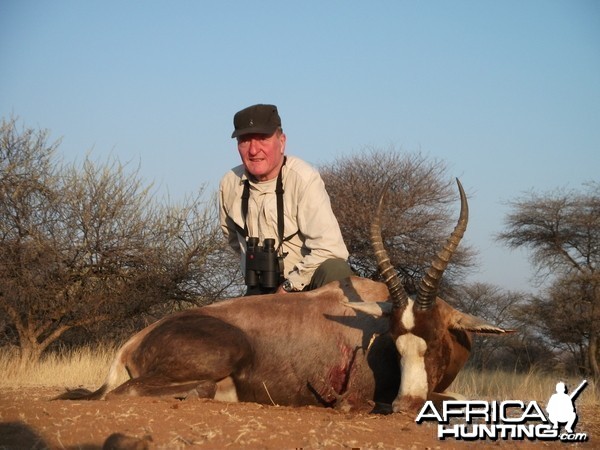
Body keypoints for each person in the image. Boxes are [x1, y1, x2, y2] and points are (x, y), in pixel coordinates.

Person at [219, 103, 353, 295]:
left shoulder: (304, 178)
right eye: (245, 141)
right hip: (261, 287)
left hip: (307, 284)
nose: (254, 150)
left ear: (282, 141)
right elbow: (233, 240)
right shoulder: (229, 183)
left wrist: (290, 285)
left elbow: (330, 249)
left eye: (263, 139)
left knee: (336, 270)